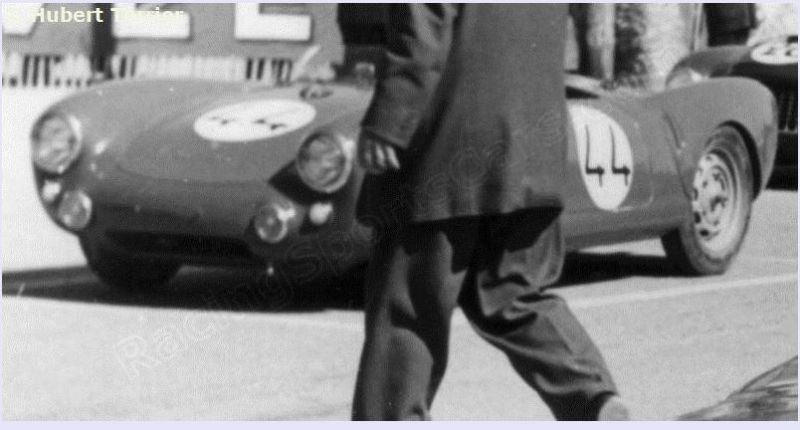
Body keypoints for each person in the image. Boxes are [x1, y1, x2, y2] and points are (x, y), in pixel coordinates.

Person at [351, 4, 628, 420]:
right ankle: (592, 397)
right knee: (513, 293)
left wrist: (389, 119)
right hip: (532, 147)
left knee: (407, 313)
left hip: (447, 149)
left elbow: (422, 29)